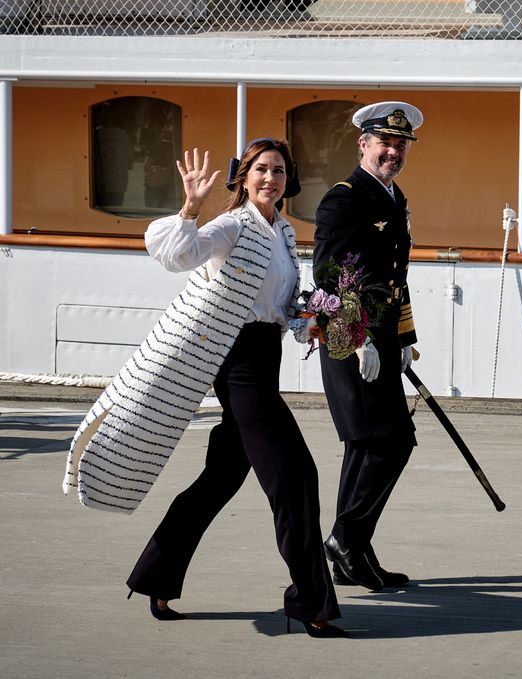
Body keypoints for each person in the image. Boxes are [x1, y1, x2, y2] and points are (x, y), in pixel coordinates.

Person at [63, 139, 345, 638]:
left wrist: (312, 319)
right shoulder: (232, 225)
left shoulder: (281, 232)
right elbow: (177, 255)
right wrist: (191, 206)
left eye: (279, 171)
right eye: (261, 169)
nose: (271, 179)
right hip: (238, 366)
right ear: (243, 177)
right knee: (295, 477)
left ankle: (157, 576)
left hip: (265, 355)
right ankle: (312, 604)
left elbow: (277, 309)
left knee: (219, 480)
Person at [314, 101, 421, 592]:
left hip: (378, 339)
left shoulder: (395, 198)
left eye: (400, 145)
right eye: (384, 142)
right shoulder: (345, 198)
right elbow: (331, 274)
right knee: (391, 443)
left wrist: (403, 338)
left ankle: (350, 551)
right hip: (348, 339)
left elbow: (395, 277)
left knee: (366, 445)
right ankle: (346, 538)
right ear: (363, 145)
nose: (393, 151)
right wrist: (356, 337)